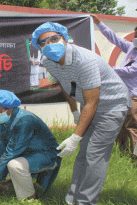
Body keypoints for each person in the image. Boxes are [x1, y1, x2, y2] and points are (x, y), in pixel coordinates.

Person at [31, 22, 131, 205]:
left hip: (112, 105)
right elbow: (65, 85)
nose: (50, 45)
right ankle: (72, 200)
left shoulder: (84, 60)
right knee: (83, 154)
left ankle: (86, 201)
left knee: (95, 155)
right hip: (87, 106)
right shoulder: (47, 61)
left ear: (65, 38)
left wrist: (75, 136)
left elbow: (93, 102)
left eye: (54, 39)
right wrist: (75, 112)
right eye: (44, 43)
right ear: (39, 47)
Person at [91, 14, 137, 156]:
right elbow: (114, 38)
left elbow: (131, 70)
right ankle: (124, 154)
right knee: (119, 126)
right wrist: (98, 23)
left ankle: (134, 158)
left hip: (133, 97)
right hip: (121, 95)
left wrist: (111, 69)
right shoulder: (131, 47)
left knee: (132, 127)